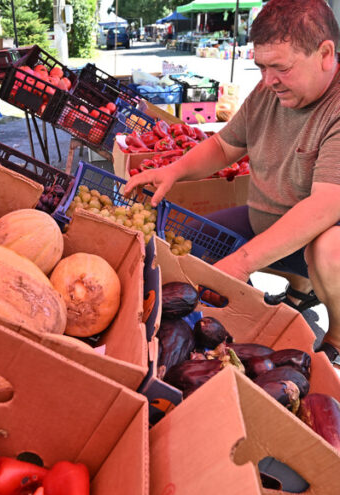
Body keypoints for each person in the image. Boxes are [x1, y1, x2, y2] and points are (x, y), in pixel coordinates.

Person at [123, 0, 340, 366]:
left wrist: (241, 263)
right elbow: (224, 146)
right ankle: (270, 311)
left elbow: (324, 205)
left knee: (329, 250)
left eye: (280, 68)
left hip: (322, 241)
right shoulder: (269, 91)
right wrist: (173, 170)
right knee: (189, 246)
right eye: (261, 67)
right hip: (263, 220)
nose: (268, 79)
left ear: (325, 53)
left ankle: (336, 333)